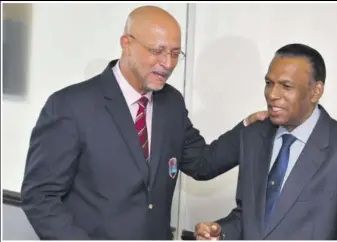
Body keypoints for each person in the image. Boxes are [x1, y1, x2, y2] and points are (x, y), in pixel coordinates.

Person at [20, 6, 268, 240]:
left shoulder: (171, 103)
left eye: (174, 54)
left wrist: (246, 129)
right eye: (157, 51)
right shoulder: (71, 106)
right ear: (126, 44)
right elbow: (40, 197)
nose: (168, 64)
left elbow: (202, 163)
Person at [194, 43, 337, 240]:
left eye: (286, 86)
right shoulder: (253, 136)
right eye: (269, 83)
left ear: (315, 92)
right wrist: (221, 233)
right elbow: (251, 219)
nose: (272, 95)